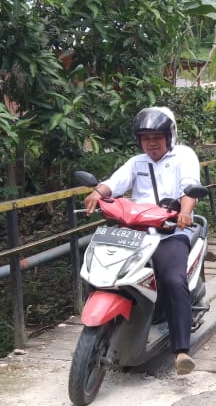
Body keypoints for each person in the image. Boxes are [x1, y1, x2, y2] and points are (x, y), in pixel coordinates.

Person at [83, 106, 201, 375]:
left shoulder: (184, 156)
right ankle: (106, 326)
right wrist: (97, 192)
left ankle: (181, 350)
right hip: (136, 232)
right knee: (103, 267)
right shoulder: (138, 162)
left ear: (169, 136)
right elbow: (116, 181)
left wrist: (184, 212)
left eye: (157, 137)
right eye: (145, 137)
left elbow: (190, 186)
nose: (151, 143)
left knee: (173, 279)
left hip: (171, 231)